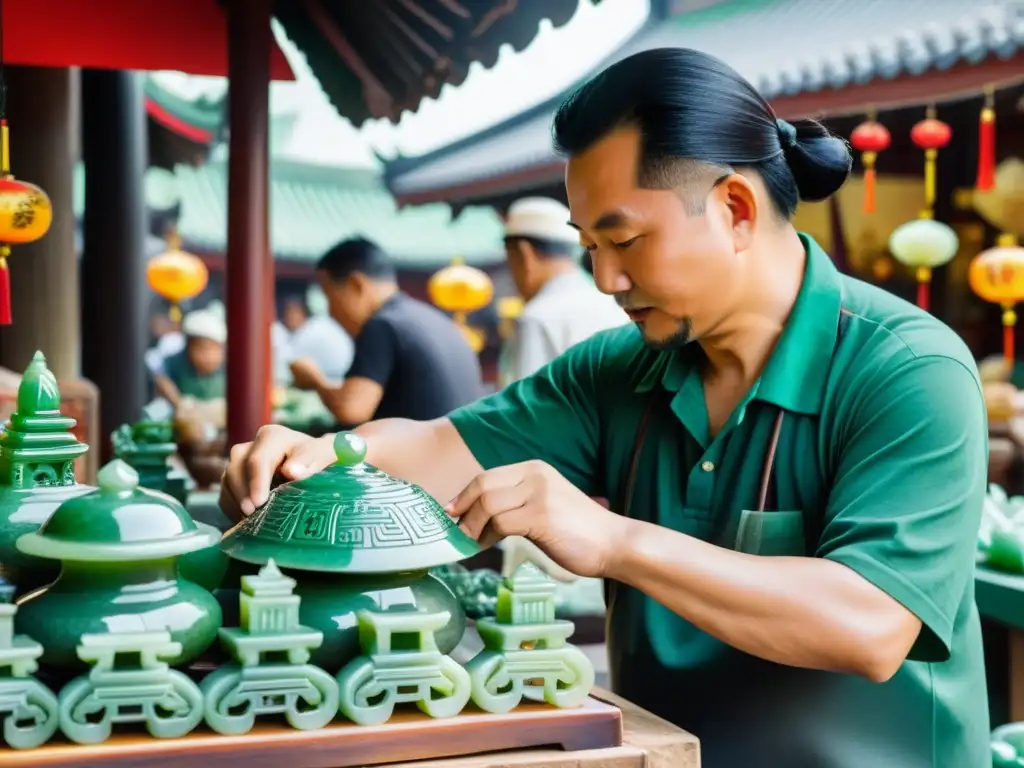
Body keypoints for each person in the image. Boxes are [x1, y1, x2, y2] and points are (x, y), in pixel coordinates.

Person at [221, 48, 987, 767]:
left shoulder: (908, 369)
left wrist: (616, 541)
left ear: (735, 209)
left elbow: (872, 624)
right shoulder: (618, 370)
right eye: (588, 244)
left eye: (625, 239)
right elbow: (432, 447)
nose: (604, 278)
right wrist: (327, 454)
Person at [289, 236, 483, 426]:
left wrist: (314, 379)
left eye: (329, 297)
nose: (331, 312)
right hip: (461, 453)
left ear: (356, 284)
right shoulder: (434, 319)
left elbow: (351, 409)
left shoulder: (382, 325)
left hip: (419, 456)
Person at [502, 196, 628, 383]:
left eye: (510, 260)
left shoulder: (537, 317)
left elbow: (526, 406)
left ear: (524, 253)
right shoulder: (615, 304)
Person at [152, 307, 226, 406]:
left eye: (216, 350)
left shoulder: (227, 371)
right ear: (188, 348)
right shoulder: (174, 364)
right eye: (203, 349)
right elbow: (161, 380)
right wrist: (178, 402)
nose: (210, 357)